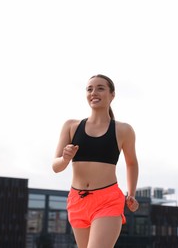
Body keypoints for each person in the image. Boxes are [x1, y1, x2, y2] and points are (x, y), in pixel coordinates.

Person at [52, 74, 139, 248]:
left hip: (108, 200)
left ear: (112, 95)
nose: (94, 92)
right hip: (77, 201)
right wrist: (65, 158)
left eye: (100, 88)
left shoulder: (123, 130)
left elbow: (132, 163)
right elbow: (56, 166)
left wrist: (132, 193)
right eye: (89, 89)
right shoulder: (71, 126)